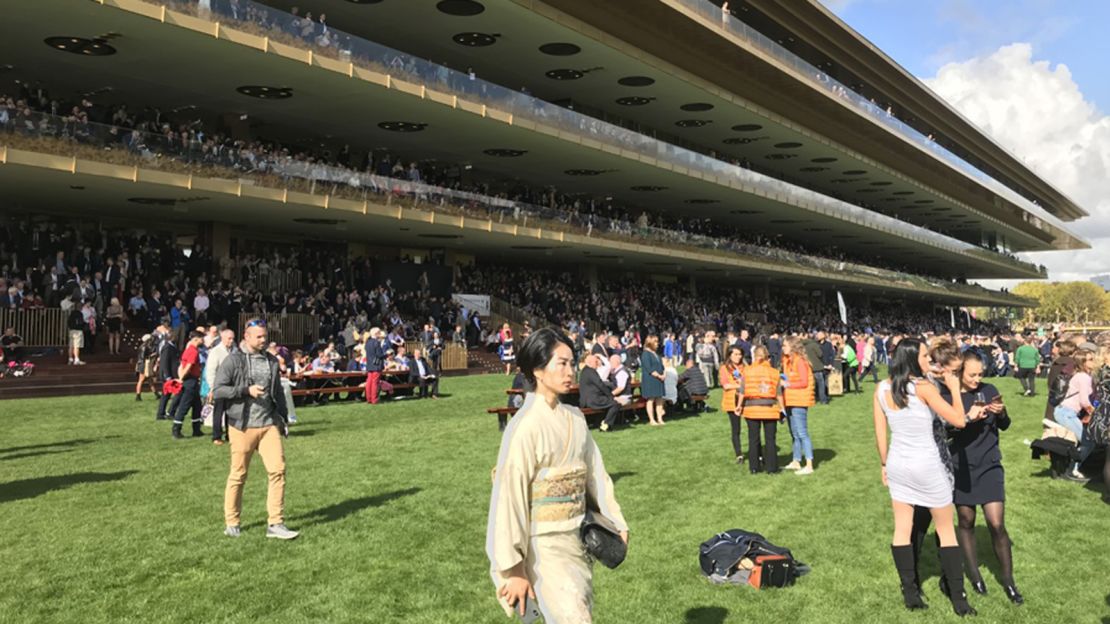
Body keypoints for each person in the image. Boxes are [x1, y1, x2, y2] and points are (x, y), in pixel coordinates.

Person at [486, 328, 628, 622]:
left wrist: (615, 520)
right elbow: (509, 497)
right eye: (561, 363)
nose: (570, 371)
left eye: (572, 363)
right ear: (538, 370)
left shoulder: (575, 419)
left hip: (579, 537)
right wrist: (513, 568)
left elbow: (596, 477)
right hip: (543, 547)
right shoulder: (524, 426)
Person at [873, 338, 981, 616]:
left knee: (902, 527)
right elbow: (958, 419)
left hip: (898, 463)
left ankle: (910, 592)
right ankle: (959, 598)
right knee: (946, 530)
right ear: (911, 358)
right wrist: (955, 388)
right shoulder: (923, 388)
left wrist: (884, 464)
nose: (927, 360)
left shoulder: (882, 388)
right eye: (923, 355)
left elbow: (880, 432)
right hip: (927, 464)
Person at [946, 352, 1023, 604]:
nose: (977, 379)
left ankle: (1008, 580)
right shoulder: (951, 394)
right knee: (966, 520)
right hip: (962, 465)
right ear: (960, 372)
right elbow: (945, 428)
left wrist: (1000, 412)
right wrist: (967, 418)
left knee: (996, 523)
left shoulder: (990, 389)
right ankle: (975, 574)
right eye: (972, 374)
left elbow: (1005, 425)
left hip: (989, 464)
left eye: (980, 374)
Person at [212, 318, 297, 540]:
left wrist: (284, 419)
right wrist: (245, 390)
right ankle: (232, 522)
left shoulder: (271, 361)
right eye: (258, 336)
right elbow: (218, 390)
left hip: (268, 424)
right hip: (242, 426)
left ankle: (276, 523)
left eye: (264, 336)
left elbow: (277, 390)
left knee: (278, 470)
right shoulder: (233, 361)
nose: (263, 340)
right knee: (239, 474)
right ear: (247, 337)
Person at [1053, 349, 1098, 481]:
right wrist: (1096, 413)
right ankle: (1071, 470)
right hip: (1066, 413)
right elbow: (1084, 401)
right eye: (1090, 359)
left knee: (1083, 442)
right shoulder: (1083, 377)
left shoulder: (1082, 376)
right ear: (1082, 362)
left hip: (1067, 412)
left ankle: (1070, 468)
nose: (1093, 361)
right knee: (1088, 442)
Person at [741, 346, 783, 475]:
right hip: (769, 408)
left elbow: (742, 391)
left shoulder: (746, 371)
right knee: (770, 439)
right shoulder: (774, 372)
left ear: (755, 355)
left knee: (753, 439)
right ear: (767, 356)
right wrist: (782, 408)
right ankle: (772, 467)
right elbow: (779, 393)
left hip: (752, 407)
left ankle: (754, 467)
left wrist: (739, 406)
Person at [781, 337, 816, 475]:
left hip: (799, 400)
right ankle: (796, 460)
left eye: (785, 345)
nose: (783, 348)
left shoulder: (800, 361)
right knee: (794, 433)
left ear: (793, 347)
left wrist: (787, 384)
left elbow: (804, 382)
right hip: (790, 399)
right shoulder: (787, 361)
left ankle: (809, 464)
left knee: (802, 433)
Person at [204, 328, 236, 446]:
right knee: (219, 411)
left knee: (231, 412)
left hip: (232, 387)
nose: (231, 341)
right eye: (229, 338)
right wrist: (212, 387)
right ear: (222, 338)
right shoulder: (216, 352)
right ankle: (216, 436)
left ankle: (230, 434)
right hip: (220, 386)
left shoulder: (234, 351)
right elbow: (210, 371)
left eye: (233, 338)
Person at [171, 331, 205, 440]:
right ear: (196, 339)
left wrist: (180, 377)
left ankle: (196, 429)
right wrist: (181, 379)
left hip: (191, 381)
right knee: (184, 406)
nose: (202, 340)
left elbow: (181, 366)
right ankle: (176, 429)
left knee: (197, 406)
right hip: (190, 381)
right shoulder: (193, 352)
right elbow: (188, 367)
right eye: (201, 338)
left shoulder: (187, 350)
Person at [719, 346, 745, 466]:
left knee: (753, 428)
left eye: (739, 354)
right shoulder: (724, 368)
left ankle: (758, 453)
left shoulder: (745, 367)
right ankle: (739, 454)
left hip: (745, 400)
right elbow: (725, 385)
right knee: (736, 429)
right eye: (735, 354)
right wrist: (739, 385)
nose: (738, 357)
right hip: (731, 401)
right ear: (729, 355)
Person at [580, 354, 620, 432]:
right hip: (593, 400)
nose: (598, 364)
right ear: (590, 362)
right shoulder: (591, 372)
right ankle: (605, 425)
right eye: (596, 362)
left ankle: (602, 423)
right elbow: (600, 384)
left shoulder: (585, 371)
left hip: (588, 399)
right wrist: (611, 396)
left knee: (611, 404)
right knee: (615, 404)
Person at [640, 335, 666, 426]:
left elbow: (662, 366)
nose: (657, 344)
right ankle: (652, 419)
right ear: (650, 343)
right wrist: (659, 376)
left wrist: (664, 374)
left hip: (659, 379)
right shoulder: (645, 354)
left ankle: (660, 418)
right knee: (651, 399)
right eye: (655, 342)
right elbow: (649, 368)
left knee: (659, 399)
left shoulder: (656, 354)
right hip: (650, 379)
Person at [364, 327, 386, 405]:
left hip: (369, 364)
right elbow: (379, 355)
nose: (380, 334)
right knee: (374, 382)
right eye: (379, 333)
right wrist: (386, 355)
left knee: (369, 382)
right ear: (376, 334)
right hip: (376, 364)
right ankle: (374, 399)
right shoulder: (376, 342)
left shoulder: (367, 342)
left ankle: (368, 398)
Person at [134, 333, 159, 401]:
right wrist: (152, 355)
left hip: (142, 364)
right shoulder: (144, 347)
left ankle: (157, 394)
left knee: (149, 380)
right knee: (141, 380)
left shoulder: (143, 346)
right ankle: (138, 396)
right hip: (143, 364)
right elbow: (143, 357)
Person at [66, 296, 86, 365]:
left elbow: (68, 322)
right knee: (76, 346)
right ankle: (76, 359)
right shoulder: (80, 314)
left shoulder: (72, 313)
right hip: (78, 331)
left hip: (71, 330)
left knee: (71, 345)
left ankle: (70, 359)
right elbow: (80, 322)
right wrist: (83, 326)